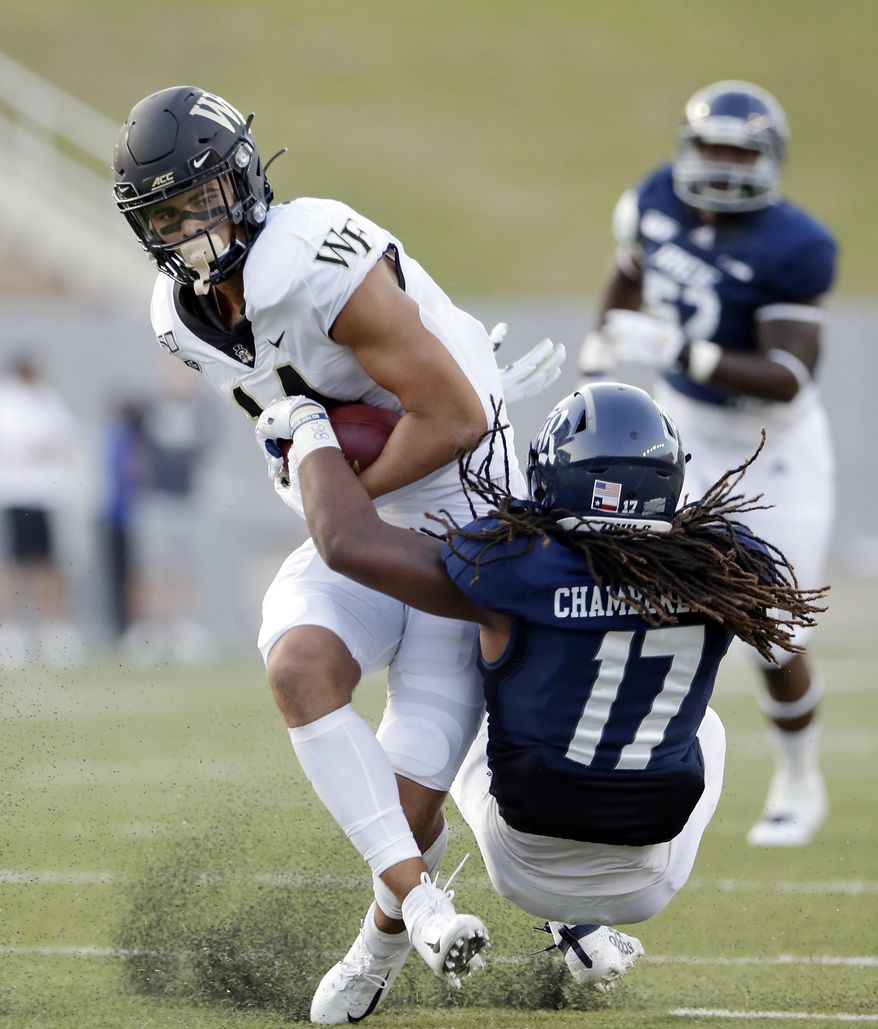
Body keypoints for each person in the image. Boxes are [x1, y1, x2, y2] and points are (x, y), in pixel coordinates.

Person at [112, 85, 564, 1003]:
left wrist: (337, 495)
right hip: (358, 509)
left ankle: (383, 950)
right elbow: (286, 418)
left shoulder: (316, 260)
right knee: (298, 668)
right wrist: (313, 473)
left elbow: (455, 414)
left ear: (243, 180)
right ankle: (424, 910)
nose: (191, 226)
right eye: (167, 213)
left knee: (410, 803)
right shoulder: (177, 317)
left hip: (460, 510)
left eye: (202, 199)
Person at [255, 382, 825, 1021]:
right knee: (704, 728)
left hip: (525, 866)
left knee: (469, 697)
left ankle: (392, 940)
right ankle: (580, 930)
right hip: (651, 878)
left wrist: (310, 429)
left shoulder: (515, 566)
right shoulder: (724, 564)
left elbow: (347, 544)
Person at [578, 81, 837, 848]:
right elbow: (628, 272)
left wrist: (684, 350)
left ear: (769, 161)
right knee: (623, 583)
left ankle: (800, 778)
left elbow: (790, 372)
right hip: (680, 425)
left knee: (778, 627)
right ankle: (618, 763)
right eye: (712, 147)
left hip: (770, 443)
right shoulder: (655, 197)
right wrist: (604, 341)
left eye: (739, 151)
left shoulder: (796, 245)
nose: (722, 165)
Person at [0, 355, 83, 669]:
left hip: (44, 495)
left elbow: (65, 436)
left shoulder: (46, 398)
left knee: (49, 565)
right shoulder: (7, 401)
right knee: (17, 566)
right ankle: (11, 631)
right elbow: (18, 444)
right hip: (17, 494)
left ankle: (54, 630)